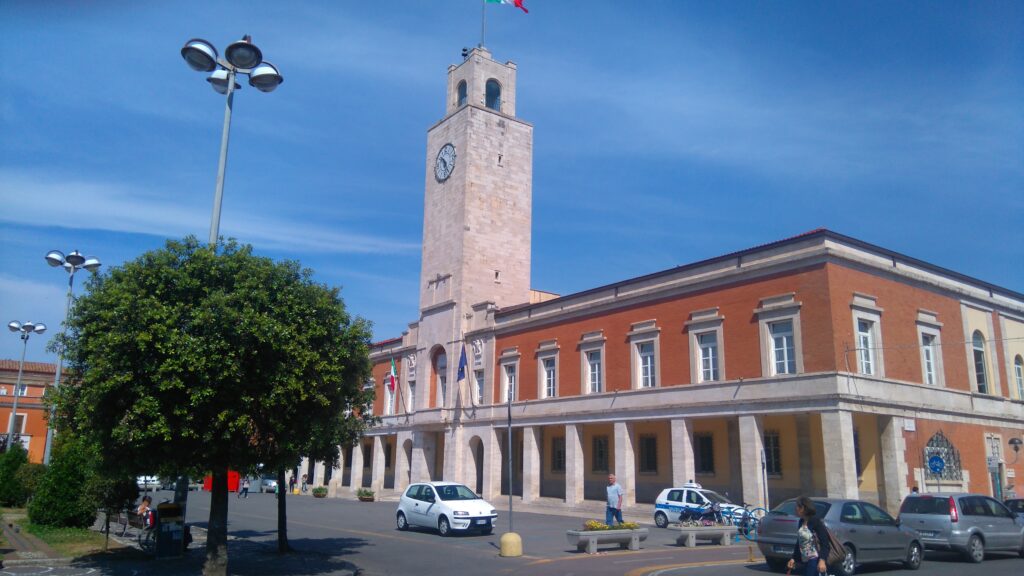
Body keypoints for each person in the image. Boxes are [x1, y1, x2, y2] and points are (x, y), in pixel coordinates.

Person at [786, 496, 830, 576]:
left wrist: (822, 560)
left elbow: (825, 543)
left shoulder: (816, 521)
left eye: (797, 506)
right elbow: (799, 542)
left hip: (814, 560)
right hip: (804, 560)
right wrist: (793, 558)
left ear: (802, 508)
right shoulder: (801, 521)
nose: (795, 509)